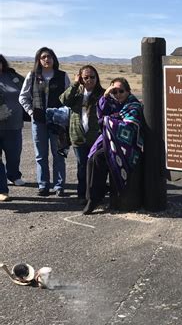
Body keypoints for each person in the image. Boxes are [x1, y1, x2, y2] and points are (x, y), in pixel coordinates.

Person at [83, 77, 144, 215]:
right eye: (114, 92)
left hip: (127, 145)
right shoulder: (114, 103)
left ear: (128, 91)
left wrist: (110, 120)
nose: (117, 94)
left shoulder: (133, 105)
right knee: (91, 159)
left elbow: (129, 126)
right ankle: (92, 196)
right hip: (111, 141)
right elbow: (101, 113)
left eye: (121, 91)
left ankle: (95, 197)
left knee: (98, 157)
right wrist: (105, 96)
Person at [19, 47, 70, 197]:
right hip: (38, 121)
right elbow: (23, 97)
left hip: (57, 122)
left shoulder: (62, 76)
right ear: (38, 60)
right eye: (43, 57)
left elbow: (69, 98)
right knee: (41, 155)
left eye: (49, 56)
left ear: (54, 59)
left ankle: (59, 186)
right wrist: (31, 112)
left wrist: (64, 113)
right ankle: (43, 185)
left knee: (59, 154)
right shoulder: (33, 75)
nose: (47, 59)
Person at [60, 65, 104, 204]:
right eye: (85, 77)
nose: (89, 80)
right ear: (80, 78)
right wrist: (75, 84)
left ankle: (96, 194)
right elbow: (63, 100)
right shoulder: (76, 93)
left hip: (95, 136)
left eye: (92, 77)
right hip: (78, 136)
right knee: (82, 167)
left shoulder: (102, 94)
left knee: (97, 167)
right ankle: (82, 195)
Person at [0, 55, 26, 201]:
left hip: (14, 124)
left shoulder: (13, 76)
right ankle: (2, 189)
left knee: (14, 154)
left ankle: (14, 175)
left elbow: (27, 90)